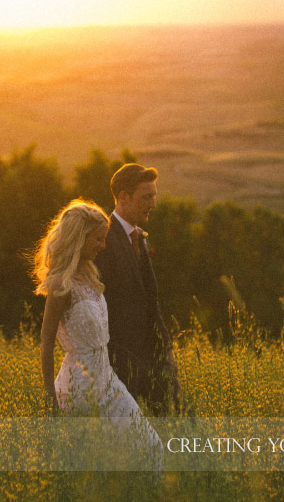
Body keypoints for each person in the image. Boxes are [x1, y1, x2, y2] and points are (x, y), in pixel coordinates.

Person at [34, 199, 162, 467]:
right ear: (79, 239)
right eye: (98, 240)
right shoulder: (61, 284)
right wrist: (50, 400)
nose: (103, 246)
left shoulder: (91, 278)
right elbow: (46, 344)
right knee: (96, 465)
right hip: (79, 388)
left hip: (109, 382)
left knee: (151, 448)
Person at [94, 164, 180, 416]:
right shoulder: (102, 240)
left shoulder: (140, 237)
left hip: (155, 356)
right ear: (123, 197)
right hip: (121, 361)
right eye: (146, 197)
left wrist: (165, 348)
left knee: (178, 420)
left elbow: (150, 301)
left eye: (154, 196)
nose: (153, 204)